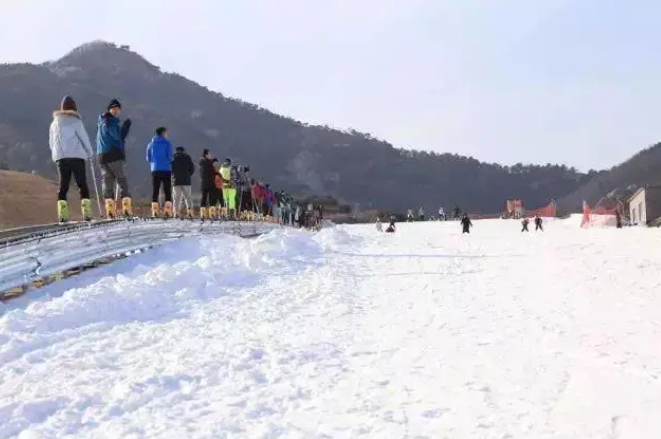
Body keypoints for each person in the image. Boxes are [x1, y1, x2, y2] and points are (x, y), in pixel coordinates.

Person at [49, 96, 94, 222]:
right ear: (74, 108)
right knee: (82, 184)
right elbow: (84, 139)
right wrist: (90, 153)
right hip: (77, 156)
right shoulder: (76, 122)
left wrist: (55, 155)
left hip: (61, 158)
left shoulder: (54, 123)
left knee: (63, 185)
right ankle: (87, 213)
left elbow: (51, 142)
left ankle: (62, 214)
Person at [96, 99, 132, 217]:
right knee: (121, 179)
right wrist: (126, 127)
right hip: (113, 154)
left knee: (107, 181)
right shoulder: (110, 121)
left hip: (102, 155)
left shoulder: (101, 122)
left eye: (118, 108)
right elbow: (118, 137)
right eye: (114, 108)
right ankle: (126, 208)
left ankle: (110, 209)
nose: (116, 110)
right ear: (110, 109)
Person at [146, 127, 173, 217]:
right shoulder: (167, 143)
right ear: (163, 133)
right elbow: (170, 157)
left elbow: (148, 158)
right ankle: (168, 211)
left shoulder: (150, 144)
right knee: (167, 190)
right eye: (166, 133)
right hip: (166, 170)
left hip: (155, 170)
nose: (167, 134)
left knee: (155, 190)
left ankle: (155, 211)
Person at [171, 146, 195, 218]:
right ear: (183, 151)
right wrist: (188, 175)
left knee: (176, 198)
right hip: (186, 181)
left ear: (176, 151)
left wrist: (173, 176)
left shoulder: (173, 158)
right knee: (188, 197)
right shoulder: (187, 157)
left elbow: (170, 169)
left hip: (176, 181)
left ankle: (176, 213)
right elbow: (192, 168)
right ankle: (190, 212)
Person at [199, 149, 217, 219]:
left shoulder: (201, 163)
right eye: (209, 154)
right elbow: (213, 172)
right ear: (206, 155)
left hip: (203, 183)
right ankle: (212, 214)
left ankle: (202, 214)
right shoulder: (209, 162)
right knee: (211, 199)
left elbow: (201, 174)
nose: (210, 155)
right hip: (210, 183)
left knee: (203, 199)